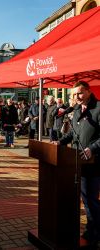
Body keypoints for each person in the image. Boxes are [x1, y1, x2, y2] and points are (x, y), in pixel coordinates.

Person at [53, 81, 100, 247]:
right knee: (85, 198)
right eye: (74, 94)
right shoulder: (77, 110)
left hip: (94, 163)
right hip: (75, 161)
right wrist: (59, 142)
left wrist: (92, 148)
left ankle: (96, 232)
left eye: (79, 93)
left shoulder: (98, 108)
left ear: (88, 91)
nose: (76, 97)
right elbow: (73, 134)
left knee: (90, 199)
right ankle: (91, 228)